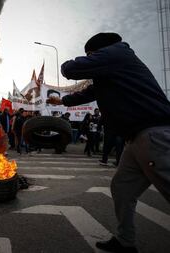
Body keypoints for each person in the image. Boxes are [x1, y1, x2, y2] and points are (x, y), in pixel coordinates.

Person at [46, 32, 170, 253]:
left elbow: (71, 69)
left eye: (92, 55)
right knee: (122, 188)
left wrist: (65, 65)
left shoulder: (117, 53)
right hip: (136, 139)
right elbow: (89, 93)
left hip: (154, 134)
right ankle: (125, 242)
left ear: (97, 51)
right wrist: (62, 100)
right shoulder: (113, 69)